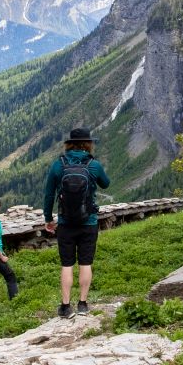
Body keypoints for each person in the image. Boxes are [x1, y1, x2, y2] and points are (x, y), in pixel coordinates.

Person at [42, 127, 110, 318]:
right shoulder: (93, 165)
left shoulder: (59, 165)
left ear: (69, 144)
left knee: (66, 265)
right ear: (88, 144)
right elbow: (106, 183)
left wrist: (48, 219)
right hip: (89, 222)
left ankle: (65, 306)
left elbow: (48, 195)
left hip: (65, 223)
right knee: (86, 263)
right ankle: (82, 303)